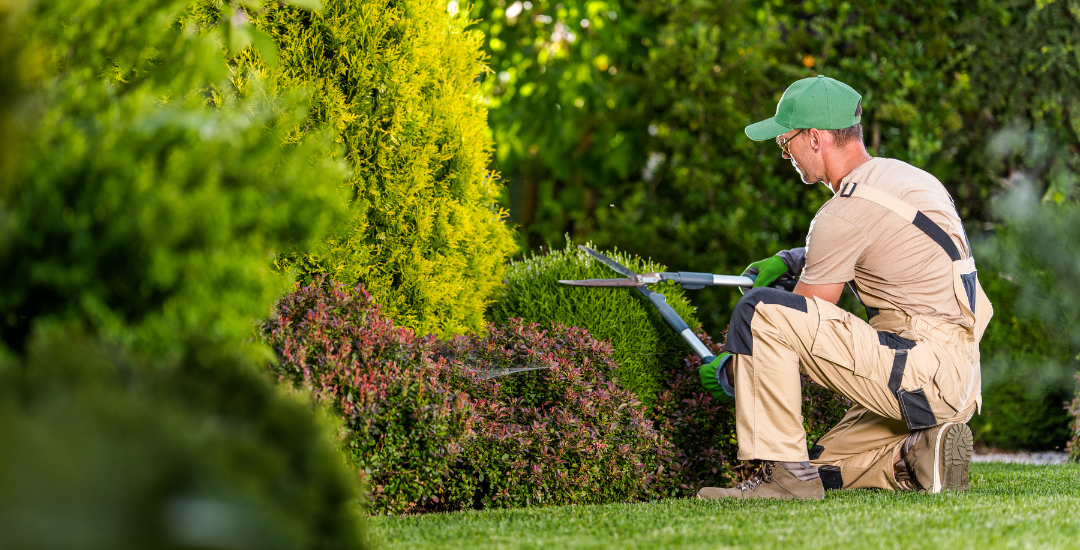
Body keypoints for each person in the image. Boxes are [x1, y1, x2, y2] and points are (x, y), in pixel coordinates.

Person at [696, 75, 992, 500]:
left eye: (786, 141)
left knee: (760, 311)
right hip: (956, 378)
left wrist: (732, 370)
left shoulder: (843, 211)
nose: (785, 153)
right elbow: (882, 245)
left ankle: (787, 483)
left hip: (920, 372)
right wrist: (792, 259)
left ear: (815, 138)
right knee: (818, 464)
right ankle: (916, 454)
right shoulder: (905, 179)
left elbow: (798, 326)